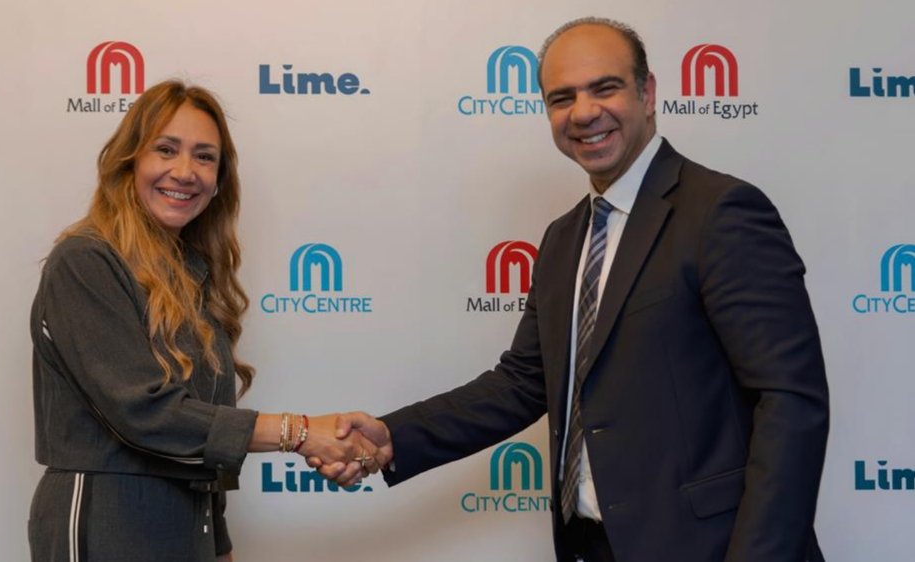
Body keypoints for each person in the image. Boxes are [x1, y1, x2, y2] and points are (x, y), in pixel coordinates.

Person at [325, 18, 829, 562]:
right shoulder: (565, 237)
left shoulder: (721, 212)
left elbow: (789, 401)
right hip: (591, 547)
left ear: (648, 93)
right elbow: (523, 382)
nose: (584, 113)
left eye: (604, 88)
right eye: (561, 98)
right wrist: (393, 436)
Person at [28, 80, 387, 562]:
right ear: (130, 161)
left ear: (219, 180)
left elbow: (201, 430)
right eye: (165, 149)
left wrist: (218, 544)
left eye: (204, 157)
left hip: (187, 524)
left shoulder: (189, 276)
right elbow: (146, 414)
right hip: (107, 519)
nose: (184, 171)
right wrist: (300, 432)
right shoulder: (86, 262)